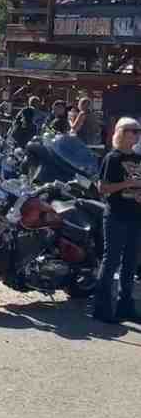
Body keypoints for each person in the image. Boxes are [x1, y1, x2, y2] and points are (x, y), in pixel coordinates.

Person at [91, 117, 141, 323]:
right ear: (121, 132)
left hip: (136, 215)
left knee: (130, 262)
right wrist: (127, 183)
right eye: (133, 130)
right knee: (111, 261)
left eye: (138, 131)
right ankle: (101, 309)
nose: (137, 134)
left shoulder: (139, 158)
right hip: (116, 215)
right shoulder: (112, 158)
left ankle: (125, 306)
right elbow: (102, 188)